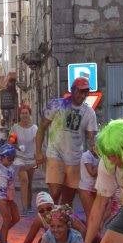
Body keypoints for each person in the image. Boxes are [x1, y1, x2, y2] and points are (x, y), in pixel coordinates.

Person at [36, 77, 98, 205]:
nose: (83, 95)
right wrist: (38, 151)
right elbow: (42, 127)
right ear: (72, 90)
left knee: (67, 202)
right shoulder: (57, 104)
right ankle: (49, 223)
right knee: (54, 195)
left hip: (75, 158)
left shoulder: (89, 112)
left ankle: (63, 223)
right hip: (55, 154)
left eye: (86, 92)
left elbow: (92, 138)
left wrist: (97, 155)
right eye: (80, 91)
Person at [10, 105, 39, 213]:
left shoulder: (35, 128)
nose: (24, 115)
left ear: (29, 114)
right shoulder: (15, 128)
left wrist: (38, 155)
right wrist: (17, 146)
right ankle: (24, 208)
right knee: (24, 180)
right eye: (22, 113)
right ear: (20, 115)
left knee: (29, 184)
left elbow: (37, 143)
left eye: (26, 113)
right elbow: (11, 142)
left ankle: (29, 205)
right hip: (19, 158)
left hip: (31, 159)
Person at [78, 148, 100, 215]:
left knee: (96, 215)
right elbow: (92, 173)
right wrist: (101, 161)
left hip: (96, 189)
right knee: (90, 214)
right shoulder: (86, 156)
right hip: (85, 188)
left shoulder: (99, 156)